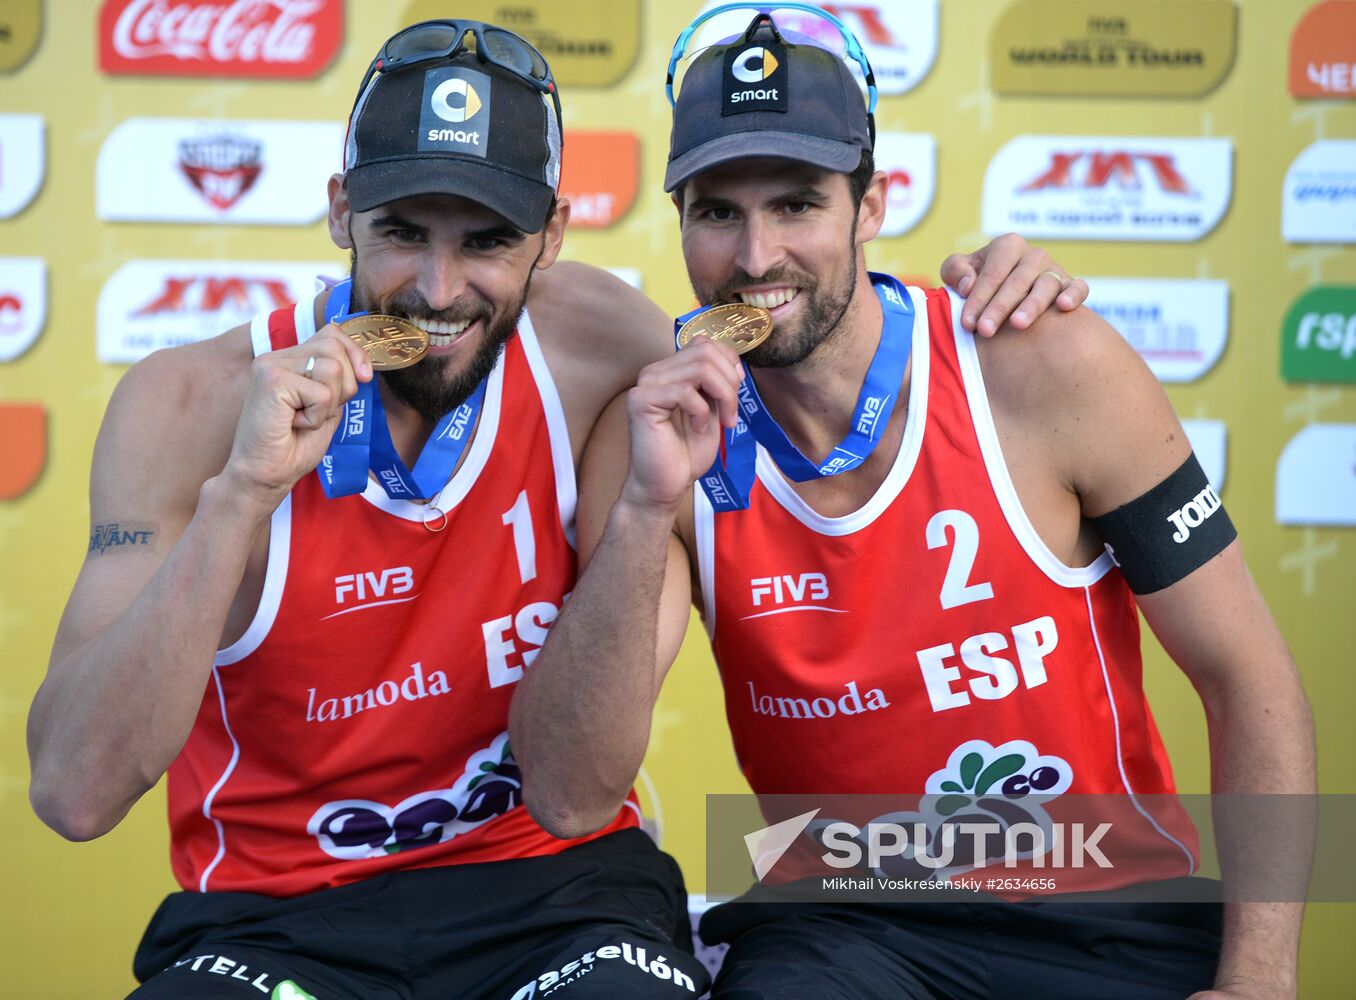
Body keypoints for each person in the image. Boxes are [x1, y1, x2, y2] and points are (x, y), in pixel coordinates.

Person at [26, 17, 1085, 1000]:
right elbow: (75, 793)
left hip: (554, 898)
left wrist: (993, 292)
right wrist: (241, 497)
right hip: (271, 918)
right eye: (402, 230)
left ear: (553, 234)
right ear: (342, 206)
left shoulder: (597, 347)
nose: (437, 291)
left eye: (486, 240)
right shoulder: (188, 404)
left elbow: (805, 330)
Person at [509, 8, 1316, 1000]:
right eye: (717, 212)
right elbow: (567, 791)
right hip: (845, 921)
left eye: (797, 203)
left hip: (1109, 906)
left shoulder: (1039, 363)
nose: (757, 257)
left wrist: (1260, 981)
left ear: (873, 204)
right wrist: (639, 509)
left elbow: (1250, 678)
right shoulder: (666, 434)